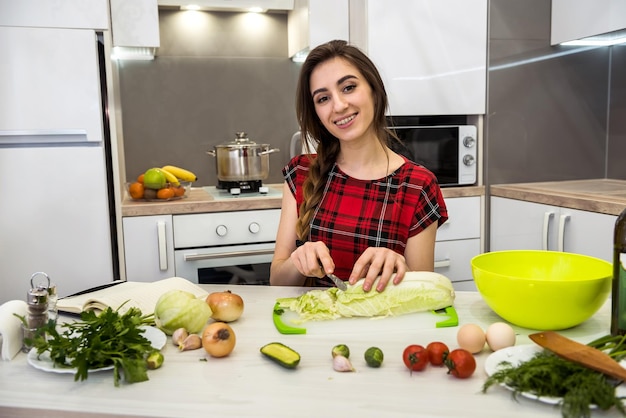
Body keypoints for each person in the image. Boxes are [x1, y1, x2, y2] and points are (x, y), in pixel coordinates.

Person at [270, 40, 448, 292]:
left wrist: (400, 268)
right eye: (323, 98)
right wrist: (298, 261)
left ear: (374, 90)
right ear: (317, 113)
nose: (339, 106)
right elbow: (276, 282)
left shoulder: (418, 185)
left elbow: (425, 294)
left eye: (349, 87)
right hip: (312, 325)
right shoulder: (301, 172)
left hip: (383, 328)